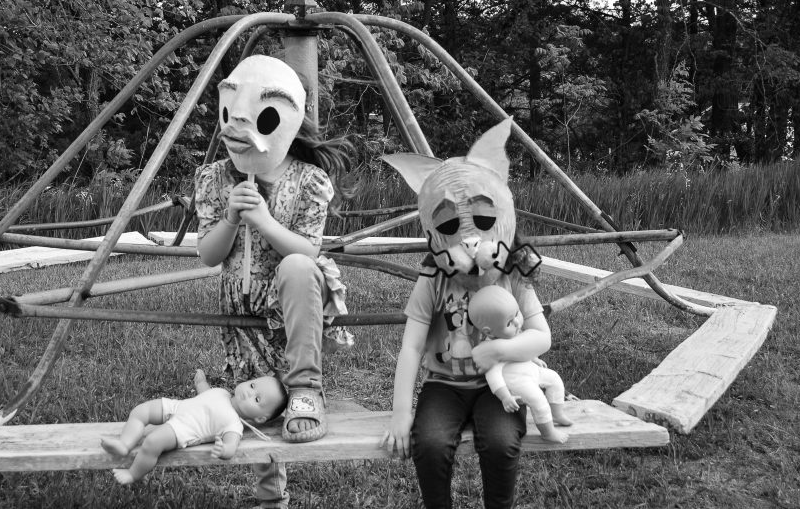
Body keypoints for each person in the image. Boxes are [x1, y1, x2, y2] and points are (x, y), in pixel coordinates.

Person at [194, 54, 353, 508]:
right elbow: (208, 255)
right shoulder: (217, 178)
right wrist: (229, 217)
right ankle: (271, 496)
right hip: (241, 306)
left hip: (290, 303)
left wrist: (262, 220)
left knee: (298, 267)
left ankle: (306, 388)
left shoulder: (308, 181)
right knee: (255, 401)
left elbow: (307, 251)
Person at [380, 118, 553, 509]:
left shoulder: (513, 273)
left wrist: (500, 353)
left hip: (503, 385)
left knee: (501, 442)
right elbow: (411, 347)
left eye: (483, 221)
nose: (470, 241)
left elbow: (542, 336)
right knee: (431, 444)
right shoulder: (434, 278)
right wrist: (399, 413)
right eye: (450, 225)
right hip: (445, 384)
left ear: (502, 220)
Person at [101, 369, 286, 484]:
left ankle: (134, 473)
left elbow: (231, 446)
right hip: (178, 407)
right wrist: (201, 383)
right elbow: (205, 395)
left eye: (257, 398)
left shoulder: (234, 424)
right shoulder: (222, 392)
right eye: (253, 385)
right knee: (141, 411)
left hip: (184, 428)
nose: (249, 392)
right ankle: (125, 444)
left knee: (152, 442)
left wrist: (224, 449)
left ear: (261, 418)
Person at [467, 285, 572, 444]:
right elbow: (494, 377)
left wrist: (534, 358)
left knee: (555, 379)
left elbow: (526, 348)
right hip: (519, 383)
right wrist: (505, 397)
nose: (517, 322)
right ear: (488, 332)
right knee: (539, 401)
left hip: (532, 371)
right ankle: (548, 432)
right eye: (509, 322)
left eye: (517, 313)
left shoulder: (517, 333)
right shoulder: (489, 351)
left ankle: (557, 413)